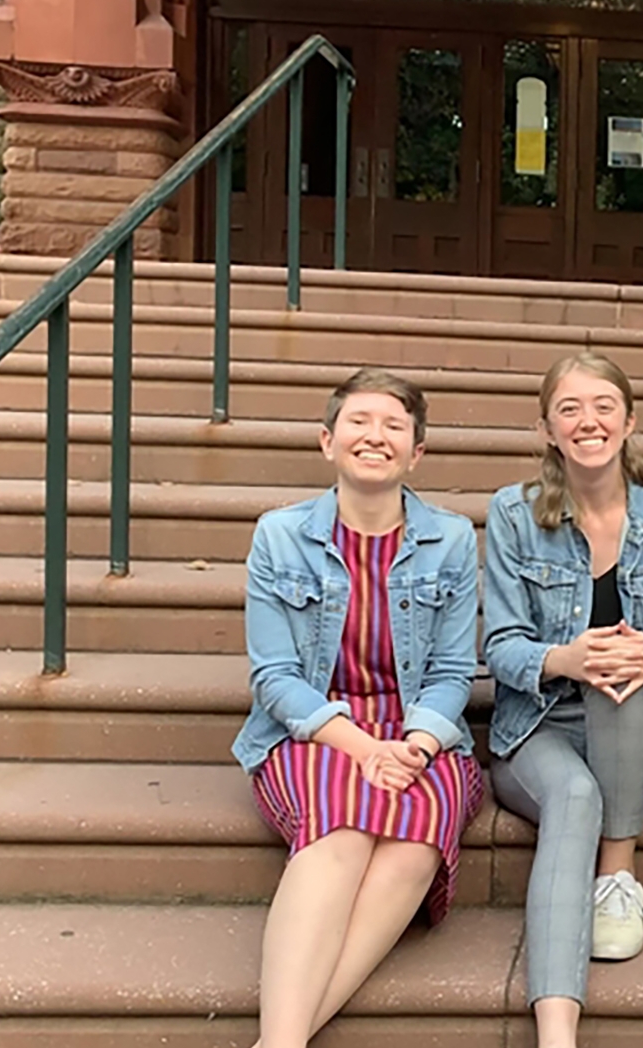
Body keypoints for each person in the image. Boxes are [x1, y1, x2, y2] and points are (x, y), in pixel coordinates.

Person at [235, 368, 484, 1048]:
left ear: (416, 452)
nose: (375, 436)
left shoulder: (453, 540)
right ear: (327, 440)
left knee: (414, 840)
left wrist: (418, 745)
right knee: (341, 829)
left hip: (418, 735)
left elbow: (454, 670)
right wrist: (362, 748)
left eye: (394, 427)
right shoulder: (280, 536)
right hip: (314, 731)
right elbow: (277, 677)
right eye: (359, 422)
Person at [481, 351, 643, 1048]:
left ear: (629, 420)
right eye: (570, 408)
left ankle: (618, 872)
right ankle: (557, 1033)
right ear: (548, 427)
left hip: (640, 726)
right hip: (539, 724)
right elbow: (501, 648)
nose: (589, 421)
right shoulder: (516, 514)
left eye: (604, 405)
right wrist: (565, 659)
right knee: (573, 796)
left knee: (623, 673)